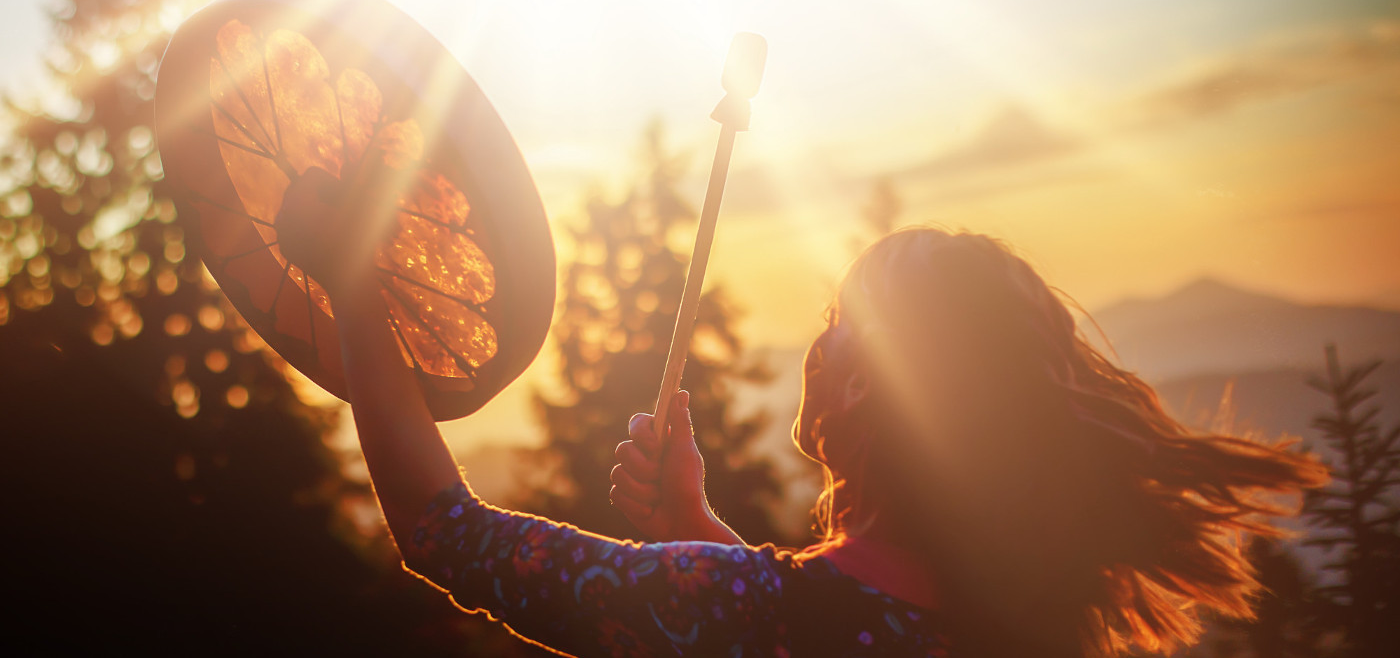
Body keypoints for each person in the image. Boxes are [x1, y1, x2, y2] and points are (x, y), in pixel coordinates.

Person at [277, 172, 1328, 657]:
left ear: (866, 384)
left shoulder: (732, 605)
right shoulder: (1000, 624)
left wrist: (355, 289)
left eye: (835, 321)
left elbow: (438, 529)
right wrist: (698, 524)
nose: (815, 342)